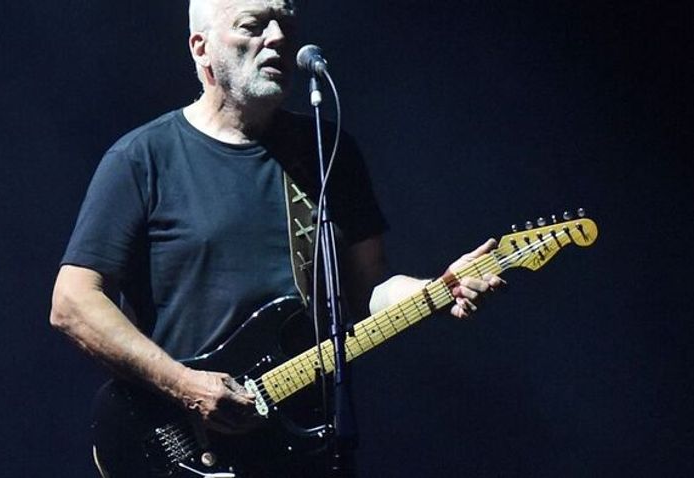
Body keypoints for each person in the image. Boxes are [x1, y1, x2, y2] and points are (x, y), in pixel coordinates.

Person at [49, 0, 502, 476]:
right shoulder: (142, 159)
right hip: (191, 452)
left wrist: (437, 289)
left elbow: (368, 290)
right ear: (201, 48)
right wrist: (185, 385)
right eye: (253, 25)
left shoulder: (328, 151)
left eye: (285, 23)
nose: (278, 38)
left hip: (307, 448)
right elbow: (72, 303)